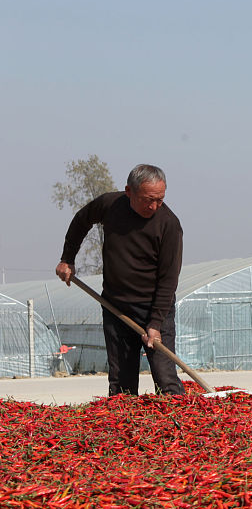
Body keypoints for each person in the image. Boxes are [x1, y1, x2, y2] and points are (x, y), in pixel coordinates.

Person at [56, 164, 185, 396]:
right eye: (148, 199)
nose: (154, 206)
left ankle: (176, 427)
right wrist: (67, 259)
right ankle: (125, 430)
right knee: (121, 385)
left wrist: (155, 324)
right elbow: (81, 221)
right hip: (116, 308)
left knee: (166, 379)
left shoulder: (169, 225)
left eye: (160, 199)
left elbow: (169, 279)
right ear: (129, 191)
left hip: (155, 308)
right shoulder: (110, 205)